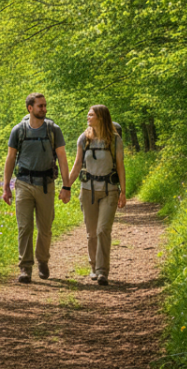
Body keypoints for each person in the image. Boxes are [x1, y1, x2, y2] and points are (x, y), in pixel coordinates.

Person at [2, 93, 71, 283]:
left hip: (46, 185)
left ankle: (42, 260)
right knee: (24, 227)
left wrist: (67, 186)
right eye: (40, 106)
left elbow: (63, 159)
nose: (44, 109)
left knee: (45, 228)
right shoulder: (18, 130)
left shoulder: (53, 130)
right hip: (23, 183)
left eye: (45, 105)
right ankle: (25, 267)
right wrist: (6, 186)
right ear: (30, 108)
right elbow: (10, 159)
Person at [69, 104, 127, 286]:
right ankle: (93, 266)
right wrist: (66, 186)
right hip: (88, 191)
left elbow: (120, 166)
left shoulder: (115, 140)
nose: (88, 117)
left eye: (91, 115)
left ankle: (102, 272)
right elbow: (77, 164)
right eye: (88, 114)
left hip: (109, 190)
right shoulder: (84, 139)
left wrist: (123, 192)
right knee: (91, 233)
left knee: (103, 230)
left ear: (101, 117)